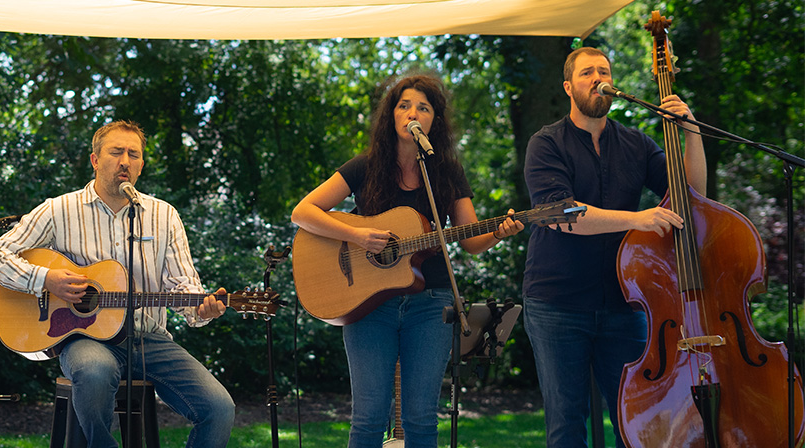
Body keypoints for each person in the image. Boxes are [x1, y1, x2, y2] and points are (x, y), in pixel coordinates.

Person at [291, 74, 524, 448]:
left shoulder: (446, 172)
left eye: (423, 107)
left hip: (431, 302)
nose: (412, 113)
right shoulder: (364, 166)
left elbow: (471, 240)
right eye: (404, 105)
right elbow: (303, 212)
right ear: (392, 115)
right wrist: (357, 235)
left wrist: (499, 232)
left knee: (420, 418)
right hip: (368, 305)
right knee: (368, 417)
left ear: (433, 121)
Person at [0, 120, 235, 448]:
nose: (125, 160)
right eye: (116, 152)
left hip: (149, 340)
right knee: (94, 373)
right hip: (87, 340)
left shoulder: (163, 215)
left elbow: (184, 289)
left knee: (219, 408)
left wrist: (203, 308)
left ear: (141, 165)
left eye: (134, 154)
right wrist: (46, 279)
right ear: (96, 160)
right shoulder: (59, 210)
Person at [522, 46, 706, 448]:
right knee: (566, 424)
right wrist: (636, 218)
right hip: (557, 302)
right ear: (569, 87)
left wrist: (690, 131)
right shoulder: (546, 143)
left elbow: (690, 196)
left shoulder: (636, 144)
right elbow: (561, 214)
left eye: (603, 70)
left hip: (626, 302)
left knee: (635, 420)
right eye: (587, 72)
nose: (597, 78)